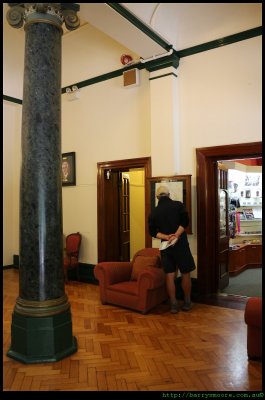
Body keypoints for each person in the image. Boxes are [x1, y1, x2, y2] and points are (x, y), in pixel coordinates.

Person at [148, 185, 196, 313]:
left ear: (157, 197)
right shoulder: (178, 205)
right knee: (185, 273)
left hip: (165, 247)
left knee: (169, 274)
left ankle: (173, 304)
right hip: (180, 244)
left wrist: (167, 237)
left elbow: (152, 232)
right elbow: (185, 222)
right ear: (169, 195)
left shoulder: (154, 212)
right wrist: (176, 235)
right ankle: (187, 302)